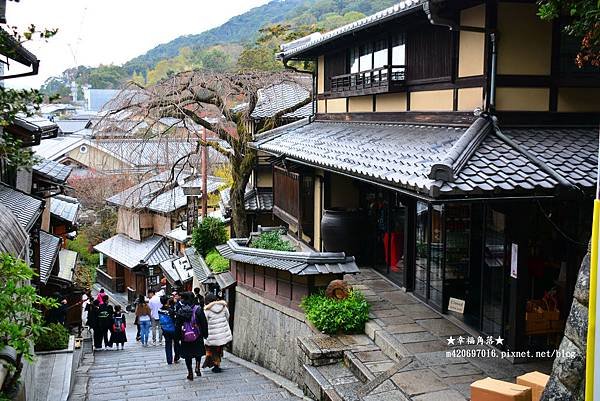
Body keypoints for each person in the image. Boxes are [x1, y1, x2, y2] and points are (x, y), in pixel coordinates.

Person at [176, 292, 208, 381]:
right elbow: (203, 323)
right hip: (197, 335)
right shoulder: (198, 309)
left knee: (188, 355)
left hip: (185, 336)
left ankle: (190, 372)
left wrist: (178, 337)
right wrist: (205, 334)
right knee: (198, 353)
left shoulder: (181, 310)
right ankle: (197, 367)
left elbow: (178, 325)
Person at [202, 293, 232, 373]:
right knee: (219, 348)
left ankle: (216, 364)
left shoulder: (207, 310)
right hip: (222, 332)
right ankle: (217, 363)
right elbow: (227, 316)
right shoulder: (223, 307)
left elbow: (205, 321)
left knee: (213, 349)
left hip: (212, 333)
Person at [159, 296, 180, 364]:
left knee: (168, 344)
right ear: (167, 301)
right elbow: (175, 319)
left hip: (165, 329)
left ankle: (169, 359)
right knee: (176, 343)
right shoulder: (170, 310)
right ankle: (176, 357)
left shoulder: (159, 310)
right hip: (172, 329)